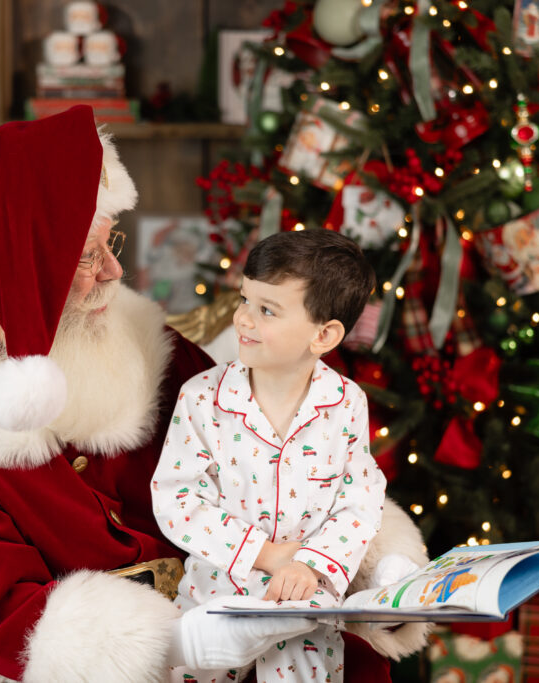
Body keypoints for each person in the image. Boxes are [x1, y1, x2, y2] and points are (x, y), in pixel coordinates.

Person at [0, 105, 428, 681]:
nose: (116, 270)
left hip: (264, 616)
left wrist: (369, 572)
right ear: (17, 269)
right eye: (87, 254)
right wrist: (182, 646)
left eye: (109, 241)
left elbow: (284, 476)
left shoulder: (153, 348)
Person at [153, 229, 385, 682]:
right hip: (215, 603)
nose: (243, 319)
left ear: (324, 334)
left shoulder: (345, 403)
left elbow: (360, 499)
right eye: (244, 300)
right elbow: (178, 499)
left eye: (266, 310)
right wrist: (265, 554)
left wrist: (311, 564)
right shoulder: (201, 399)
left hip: (303, 609)